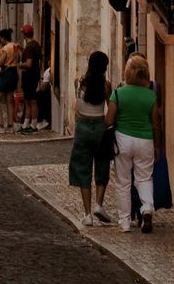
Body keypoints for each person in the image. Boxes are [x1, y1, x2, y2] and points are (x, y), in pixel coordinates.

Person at [106, 55, 160, 233]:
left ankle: (125, 222)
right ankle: (146, 209)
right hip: (145, 140)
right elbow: (155, 124)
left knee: (123, 182)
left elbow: (109, 120)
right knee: (144, 178)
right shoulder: (151, 96)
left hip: (122, 140)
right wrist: (157, 146)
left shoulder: (118, 94)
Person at [69, 51, 113, 226]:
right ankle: (98, 204)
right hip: (100, 127)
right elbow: (111, 107)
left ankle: (87, 214)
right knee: (102, 165)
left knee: (82, 169)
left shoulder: (79, 83)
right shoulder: (106, 86)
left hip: (83, 128)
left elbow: (77, 107)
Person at [0, 28, 21, 132]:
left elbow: (0, 62)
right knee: (10, 101)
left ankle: (0, 125)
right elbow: (18, 60)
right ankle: (10, 125)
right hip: (14, 73)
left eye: (1, 38)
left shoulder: (5, 48)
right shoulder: (16, 47)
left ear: (3, 38)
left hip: (7, 73)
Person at [18, 30, 43, 132]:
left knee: (31, 101)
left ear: (24, 35)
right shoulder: (36, 45)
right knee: (28, 101)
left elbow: (28, 64)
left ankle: (33, 125)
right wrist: (21, 49)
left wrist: (19, 64)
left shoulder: (29, 47)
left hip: (29, 77)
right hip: (34, 76)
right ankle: (25, 125)